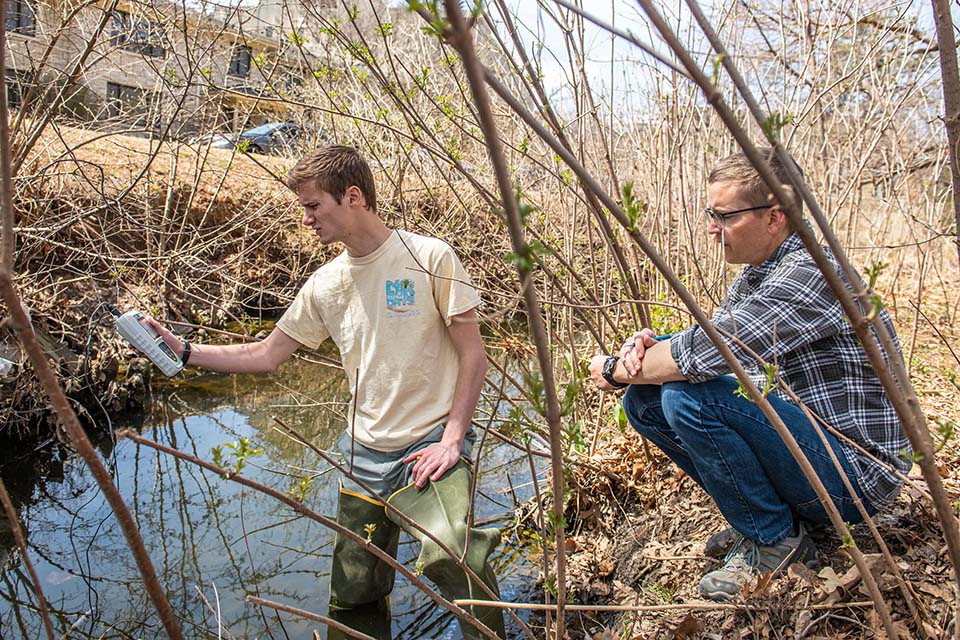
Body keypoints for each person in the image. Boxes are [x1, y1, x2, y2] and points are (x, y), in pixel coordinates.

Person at [148, 145, 505, 639]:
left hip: (429, 447)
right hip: (361, 457)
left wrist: (452, 438)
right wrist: (185, 351)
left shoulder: (428, 257)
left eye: (314, 206)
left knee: (457, 559)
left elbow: (473, 354)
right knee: (353, 595)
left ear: (353, 196)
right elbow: (267, 355)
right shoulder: (325, 284)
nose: (307, 219)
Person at [589, 148, 911, 601]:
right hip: (816, 446)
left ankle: (777, 541)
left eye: (724, 215)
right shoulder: (759, 274)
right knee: (643, 403)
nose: (710, 228)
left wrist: (616, 368)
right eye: (710, 213)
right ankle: (767, 521)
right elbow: (705, 348)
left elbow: (703, 356)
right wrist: (647, 348)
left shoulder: (811, 273)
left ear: (775, 216)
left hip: (856, 475)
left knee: (687, 399)